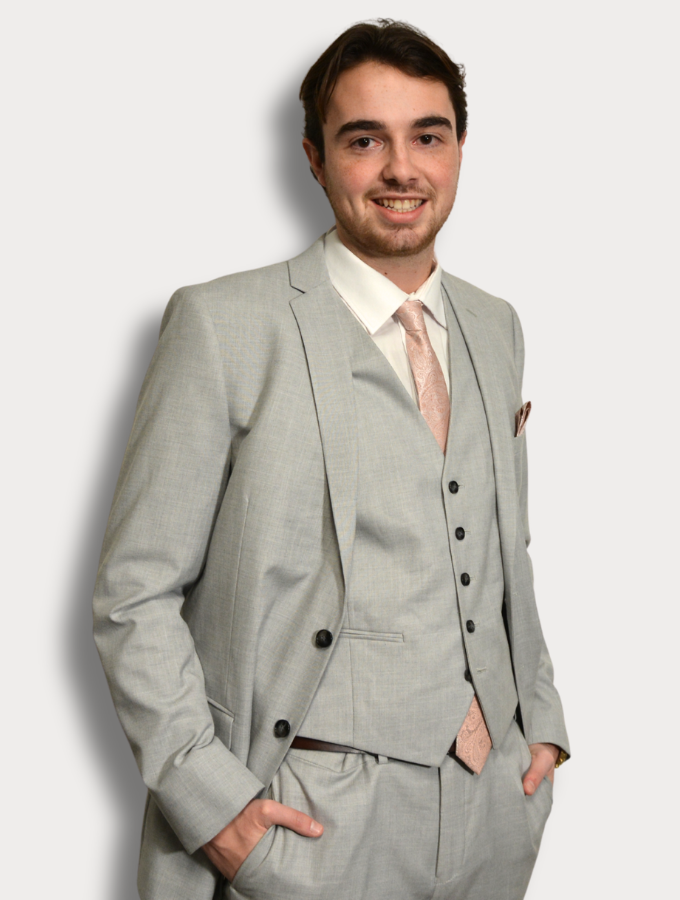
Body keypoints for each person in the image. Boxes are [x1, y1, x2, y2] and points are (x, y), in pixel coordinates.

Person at [93, 18, 569, 900]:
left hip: (490, 816)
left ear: (459, 148)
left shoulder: (497, 326)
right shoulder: (223, 325)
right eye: (364, 140)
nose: (402, 168)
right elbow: (134, 594)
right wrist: (213, 805)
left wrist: (539, 729)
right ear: (314, 159)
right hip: (303, 819)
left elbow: (504, 555)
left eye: (428, 135)